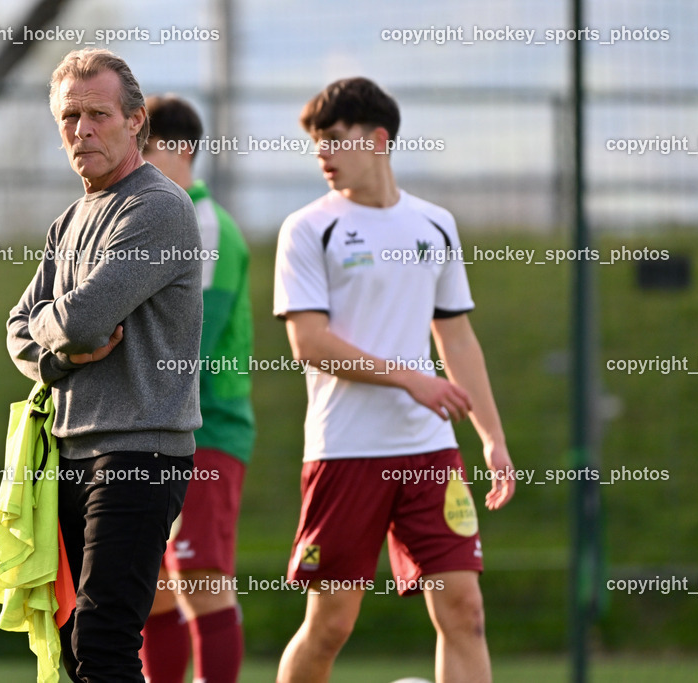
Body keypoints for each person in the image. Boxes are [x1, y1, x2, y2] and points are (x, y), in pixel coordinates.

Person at [272, 77, 516, 683]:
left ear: (378, 139)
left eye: (333, 139)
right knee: (330, 625)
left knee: (465, 611)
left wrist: (492, 438)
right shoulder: (306, 229)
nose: (321, 154)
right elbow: (309, 343)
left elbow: (456, 338)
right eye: (314, 143)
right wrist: (411, 379)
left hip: (429, 451)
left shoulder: (435, 225)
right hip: (345, 450)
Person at [6, 48, 203, 683]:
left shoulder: (159, 208)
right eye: (69, 116)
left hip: (139, 453)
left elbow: (83, 322)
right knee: (72, 643)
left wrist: (53, 329)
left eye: (98, 114)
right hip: (66, 452)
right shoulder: (68, 222)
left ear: (136, 121)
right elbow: (17, 333)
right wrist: (58, 351)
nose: (82, 130)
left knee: (103, 640)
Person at [139, 95, 256, 683]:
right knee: (155, 591)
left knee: (202, 582)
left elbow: (192, 344)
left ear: (182, 150)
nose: (137, 163)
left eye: (148, 149)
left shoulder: (205, 225)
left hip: (206, 430)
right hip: (160, 429)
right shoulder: (160, 222)